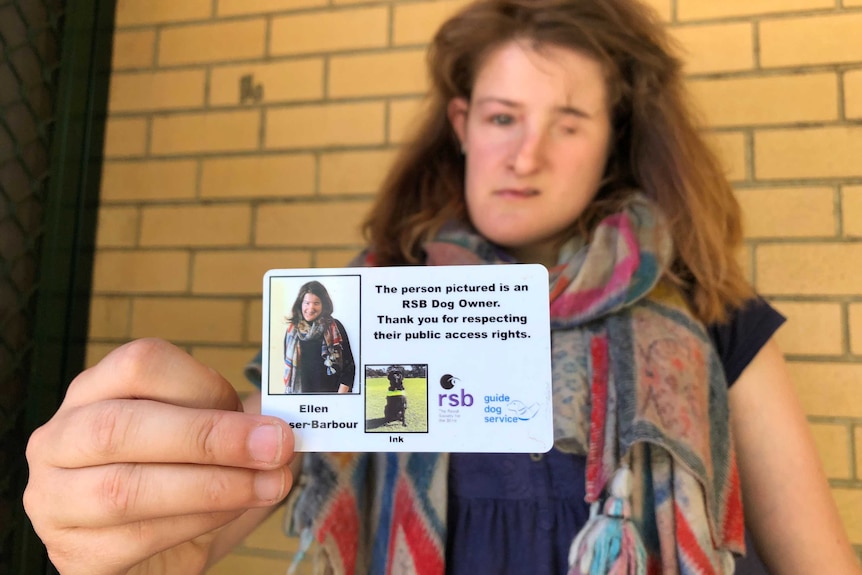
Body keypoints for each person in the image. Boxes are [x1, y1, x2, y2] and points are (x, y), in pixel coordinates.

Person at [22, 0, 861, 574]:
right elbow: (259, 454)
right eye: (502, 117)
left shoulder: (715, 316)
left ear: (615, 141)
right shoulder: (371, 302)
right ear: (462, 126)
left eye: (567, 124)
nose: (525, 155)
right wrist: (132, 505)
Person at [280, 280, 355, 394]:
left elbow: (349, 367)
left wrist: (339, 398)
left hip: (333, 397)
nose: (311, 308)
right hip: (302, 399)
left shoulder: (335, 327)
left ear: (323, 305)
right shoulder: (292, 332)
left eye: (316, 303)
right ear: (300, 304)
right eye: (307, 303)